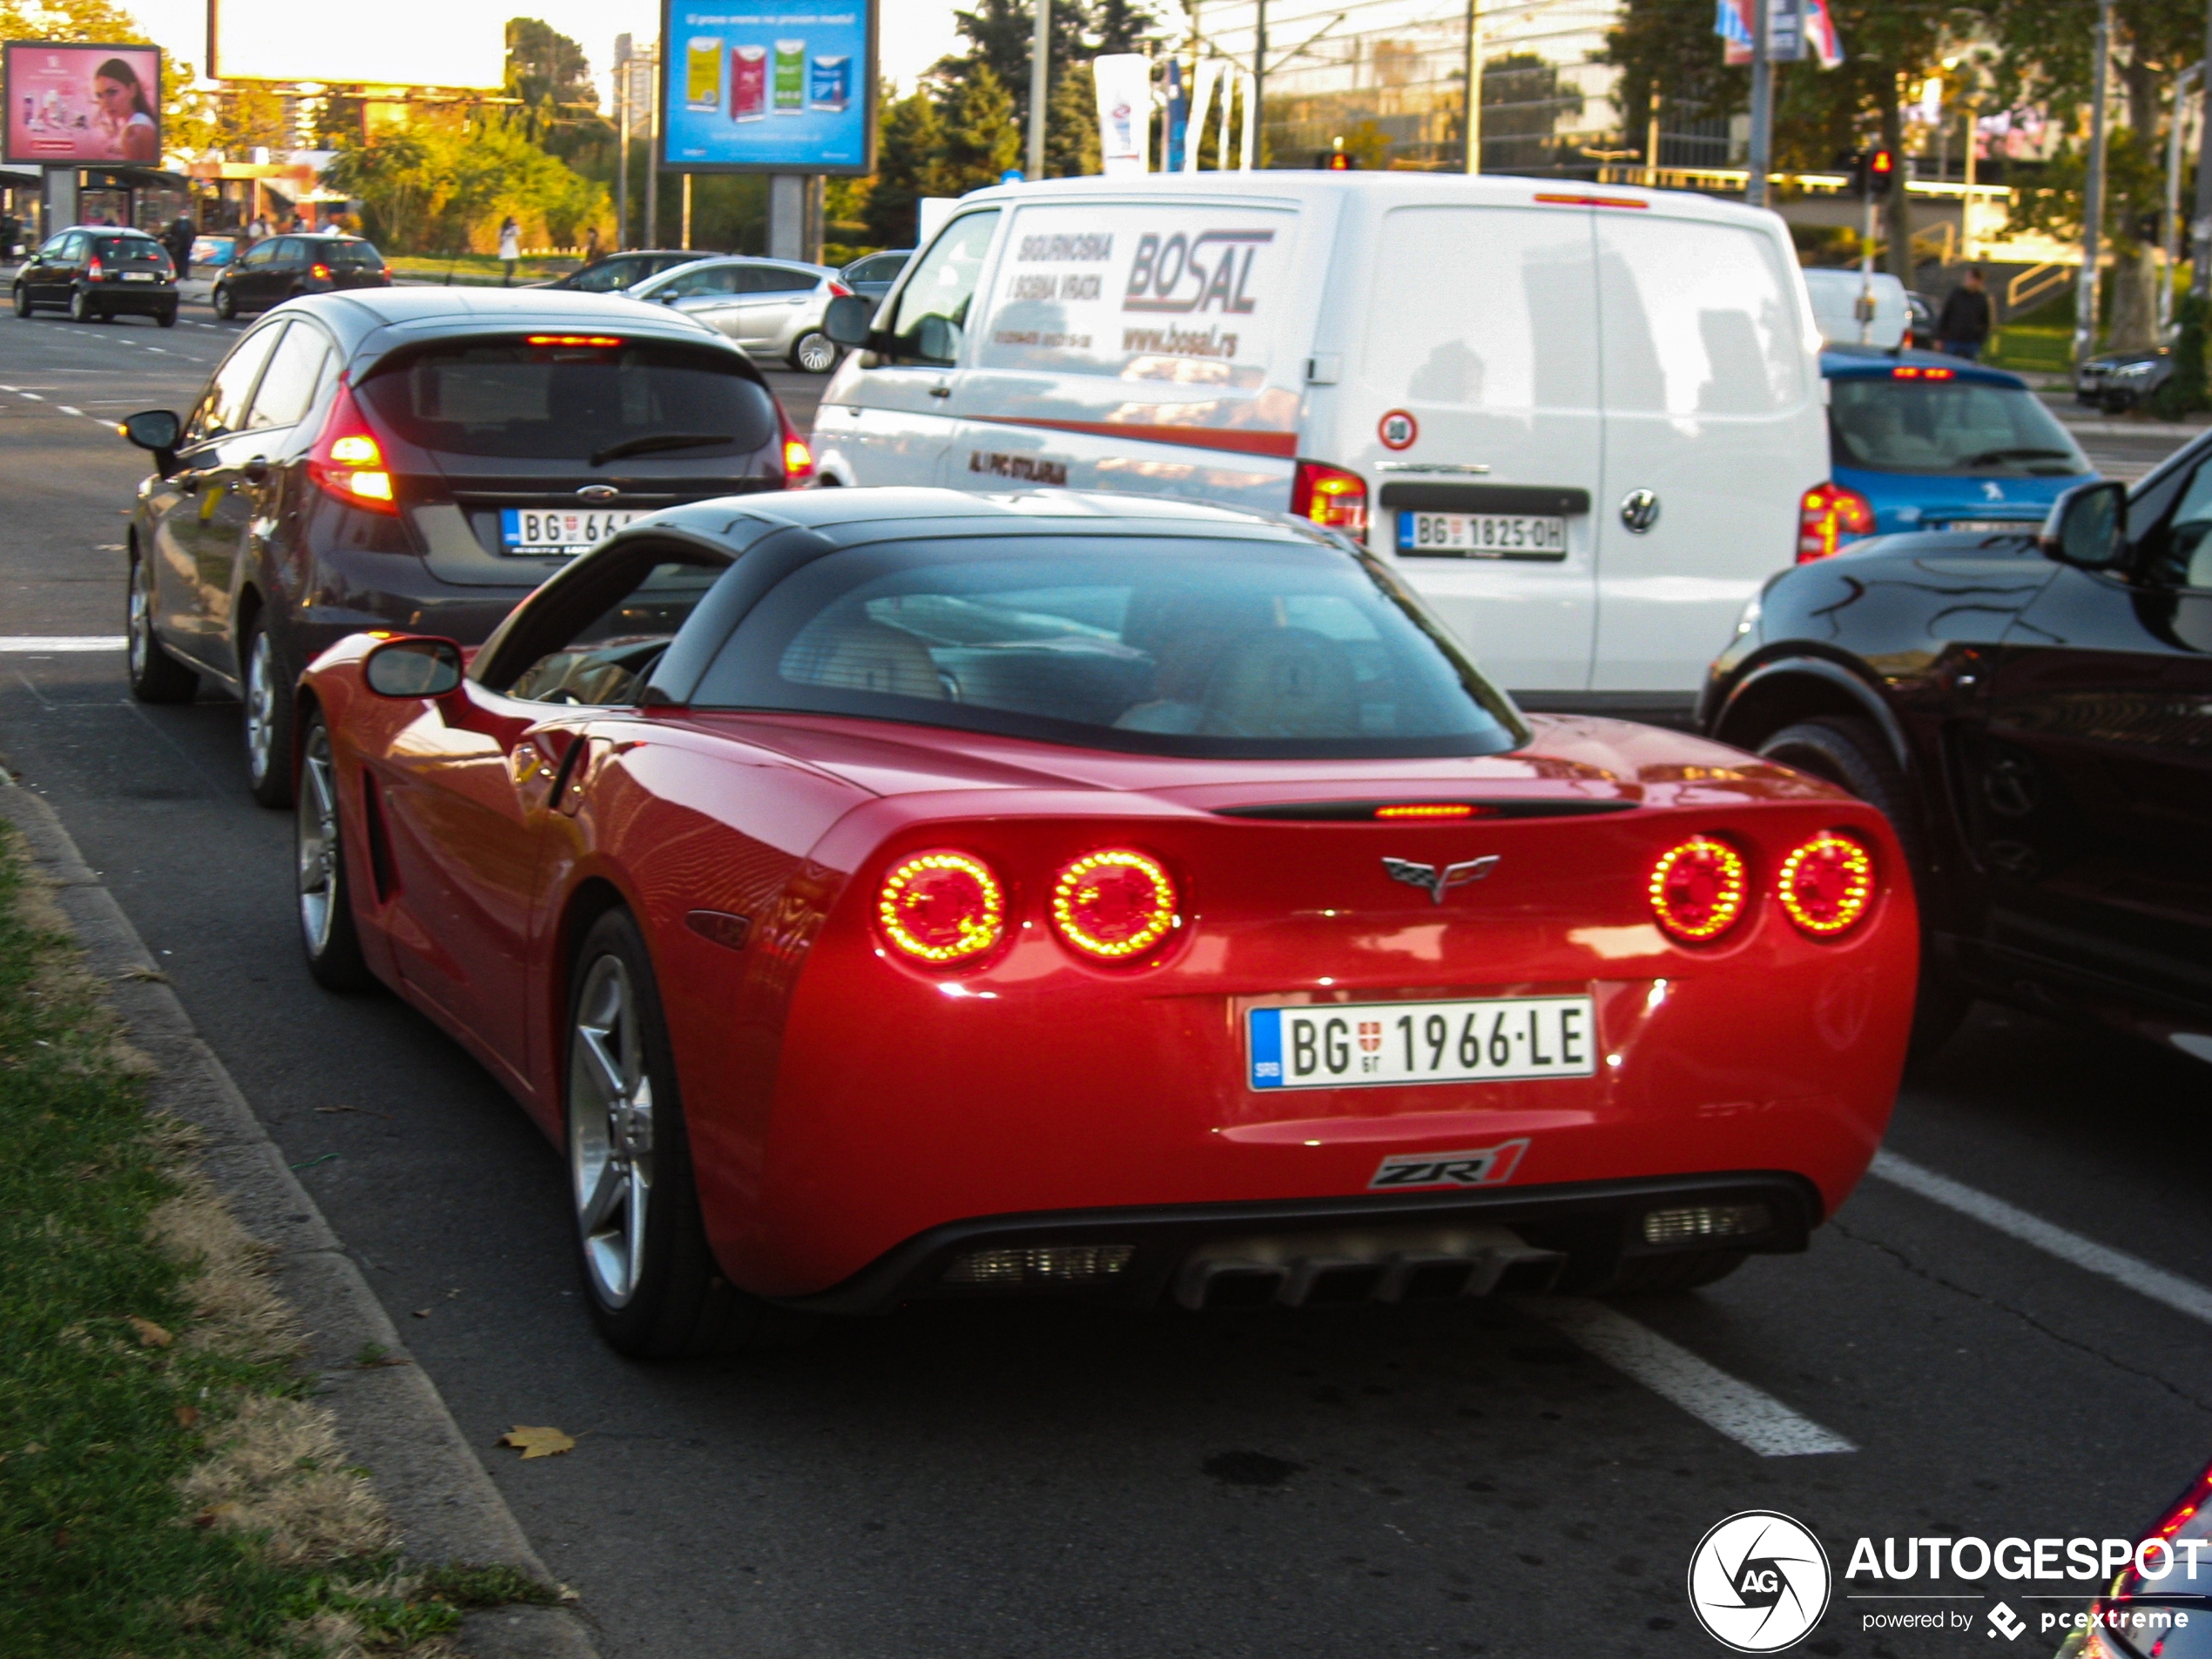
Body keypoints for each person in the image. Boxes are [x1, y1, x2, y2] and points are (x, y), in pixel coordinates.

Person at [91, 58, 158, 165]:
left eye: (112, 92)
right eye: (100, 96)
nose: (105, 102)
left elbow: (135, 175)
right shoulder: (140, 123)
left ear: (132, 90)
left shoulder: (134, 131)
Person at [1936, 267, 1993, 361]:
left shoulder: (1982, 299)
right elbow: (1945, 316)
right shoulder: (1956, 295)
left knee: (1970, 368)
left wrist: (1980, 339)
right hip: (1953, 339)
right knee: (1950, 365)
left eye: (1970, 279)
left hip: (1971, 341)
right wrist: (1939, 338)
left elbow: (1986, 321)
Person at [165, 212, 195, 279]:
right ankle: (178, 274)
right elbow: (171, 232)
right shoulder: (176, 223)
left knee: (186, 260)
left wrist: (191, 241)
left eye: (185, 213)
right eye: (182, 213)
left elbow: (194, 233)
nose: (184, 215)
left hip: (187, 244)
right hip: (177, 244)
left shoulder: (190, 223)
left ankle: (185, 275)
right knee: (177, 259)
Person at [498, 215, 521, 286]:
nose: (512, 222)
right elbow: (501, 238)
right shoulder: (502, 229)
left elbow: (519, 233)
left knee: (513, 268)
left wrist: (515, 227)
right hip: (506, 249)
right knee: (508, 268)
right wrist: (507, 234)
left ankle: (508, 280)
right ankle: (506, 281)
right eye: (511, 220)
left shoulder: (514, 228)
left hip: (512, 249)